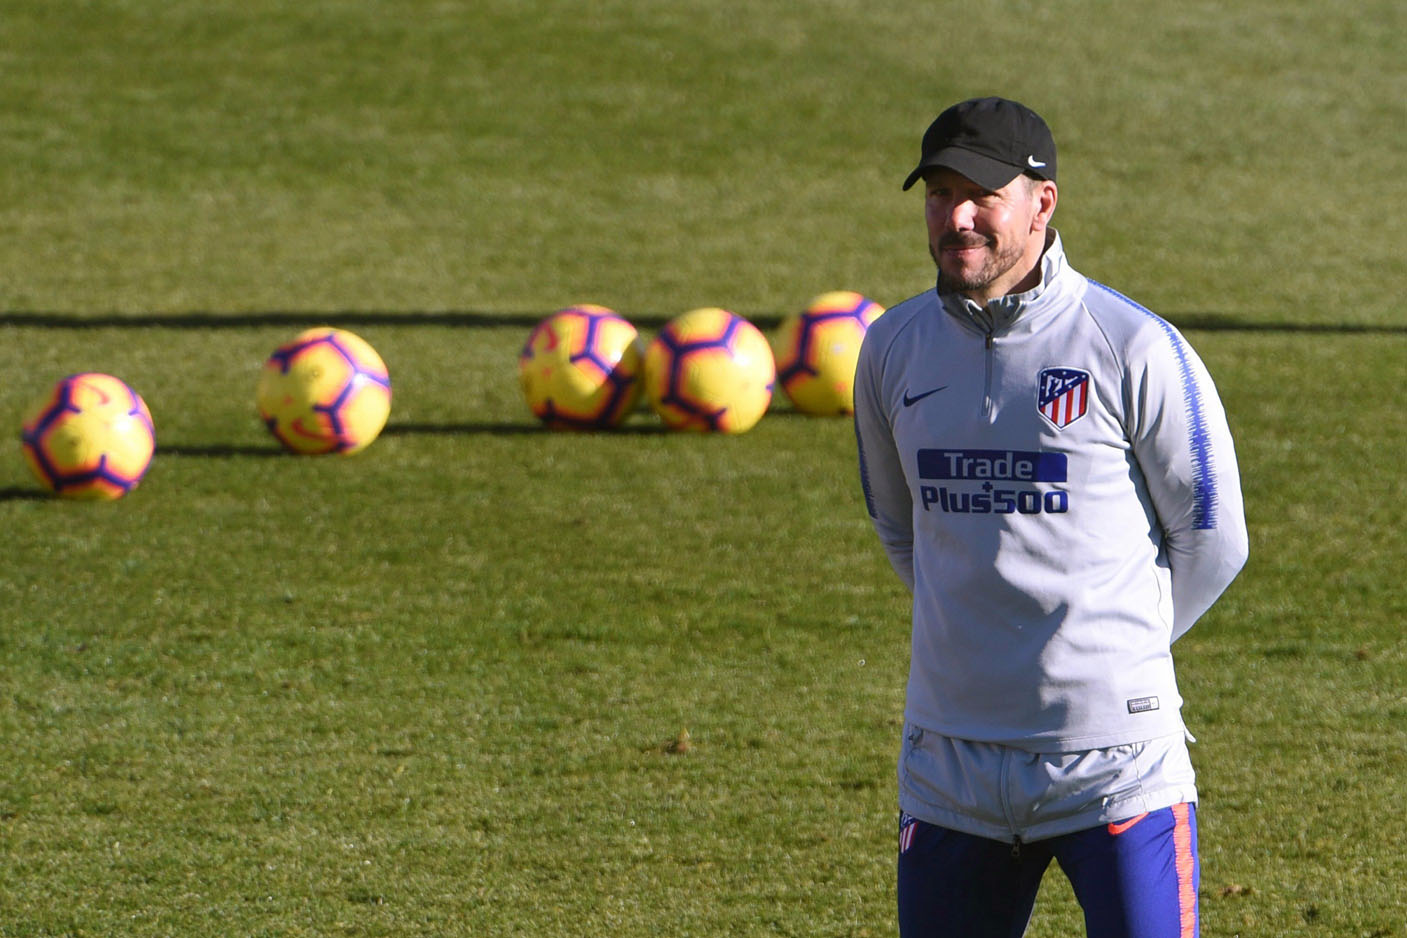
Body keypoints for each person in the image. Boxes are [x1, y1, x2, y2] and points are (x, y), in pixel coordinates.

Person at [853, 96, 1249, 938]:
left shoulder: (1131, 346)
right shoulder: (891, 348)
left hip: (1115, 764)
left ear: (1042, 201)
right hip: (948, 764)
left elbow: (1212, 538)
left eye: (981, 194)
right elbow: (900, 526)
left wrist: (1106, 652)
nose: (955, 216)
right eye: (937, 194)